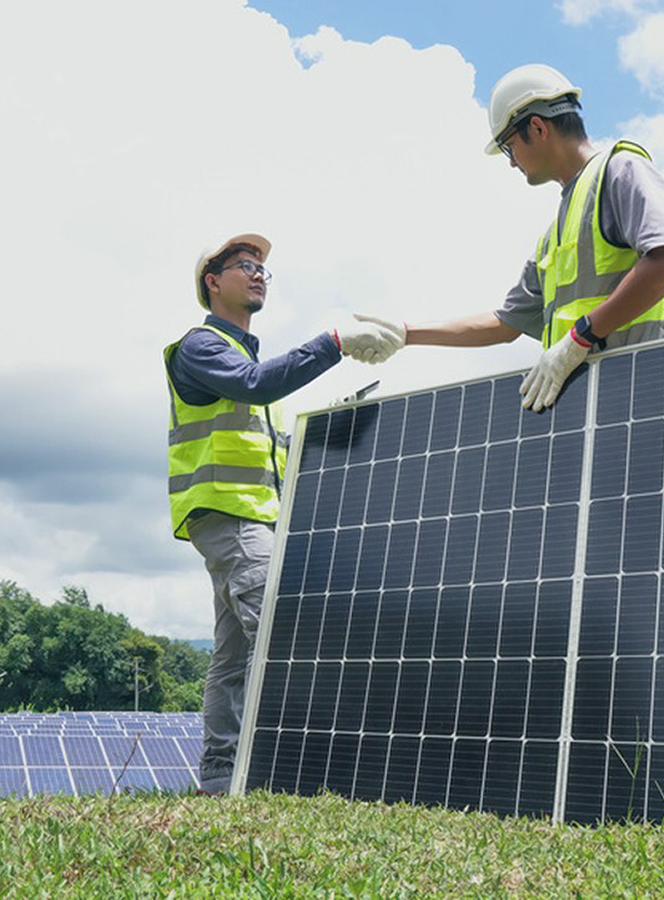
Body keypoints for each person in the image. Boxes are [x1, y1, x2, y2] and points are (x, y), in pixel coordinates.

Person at [164, 233, 402, 794]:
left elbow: (268, 448)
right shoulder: (201, 347)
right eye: (244, 265)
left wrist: (326, 432)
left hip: (245, 517)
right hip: (232, 517)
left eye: (262, 269)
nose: (257, 274)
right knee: (279, 633)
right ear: (212, 281)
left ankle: (220, 776)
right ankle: (287, 771)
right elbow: (258, 384)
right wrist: (335, 343)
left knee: (234, 655)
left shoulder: (243, 363)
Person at [357, 64, 664, 410]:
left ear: (537, 127)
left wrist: (580, 338)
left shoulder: (620, 169)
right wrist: (405, 334)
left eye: (509, 146)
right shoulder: (552, 238)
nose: (511, 162)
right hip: (591, 405)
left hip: (646, 389)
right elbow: (505, 323)